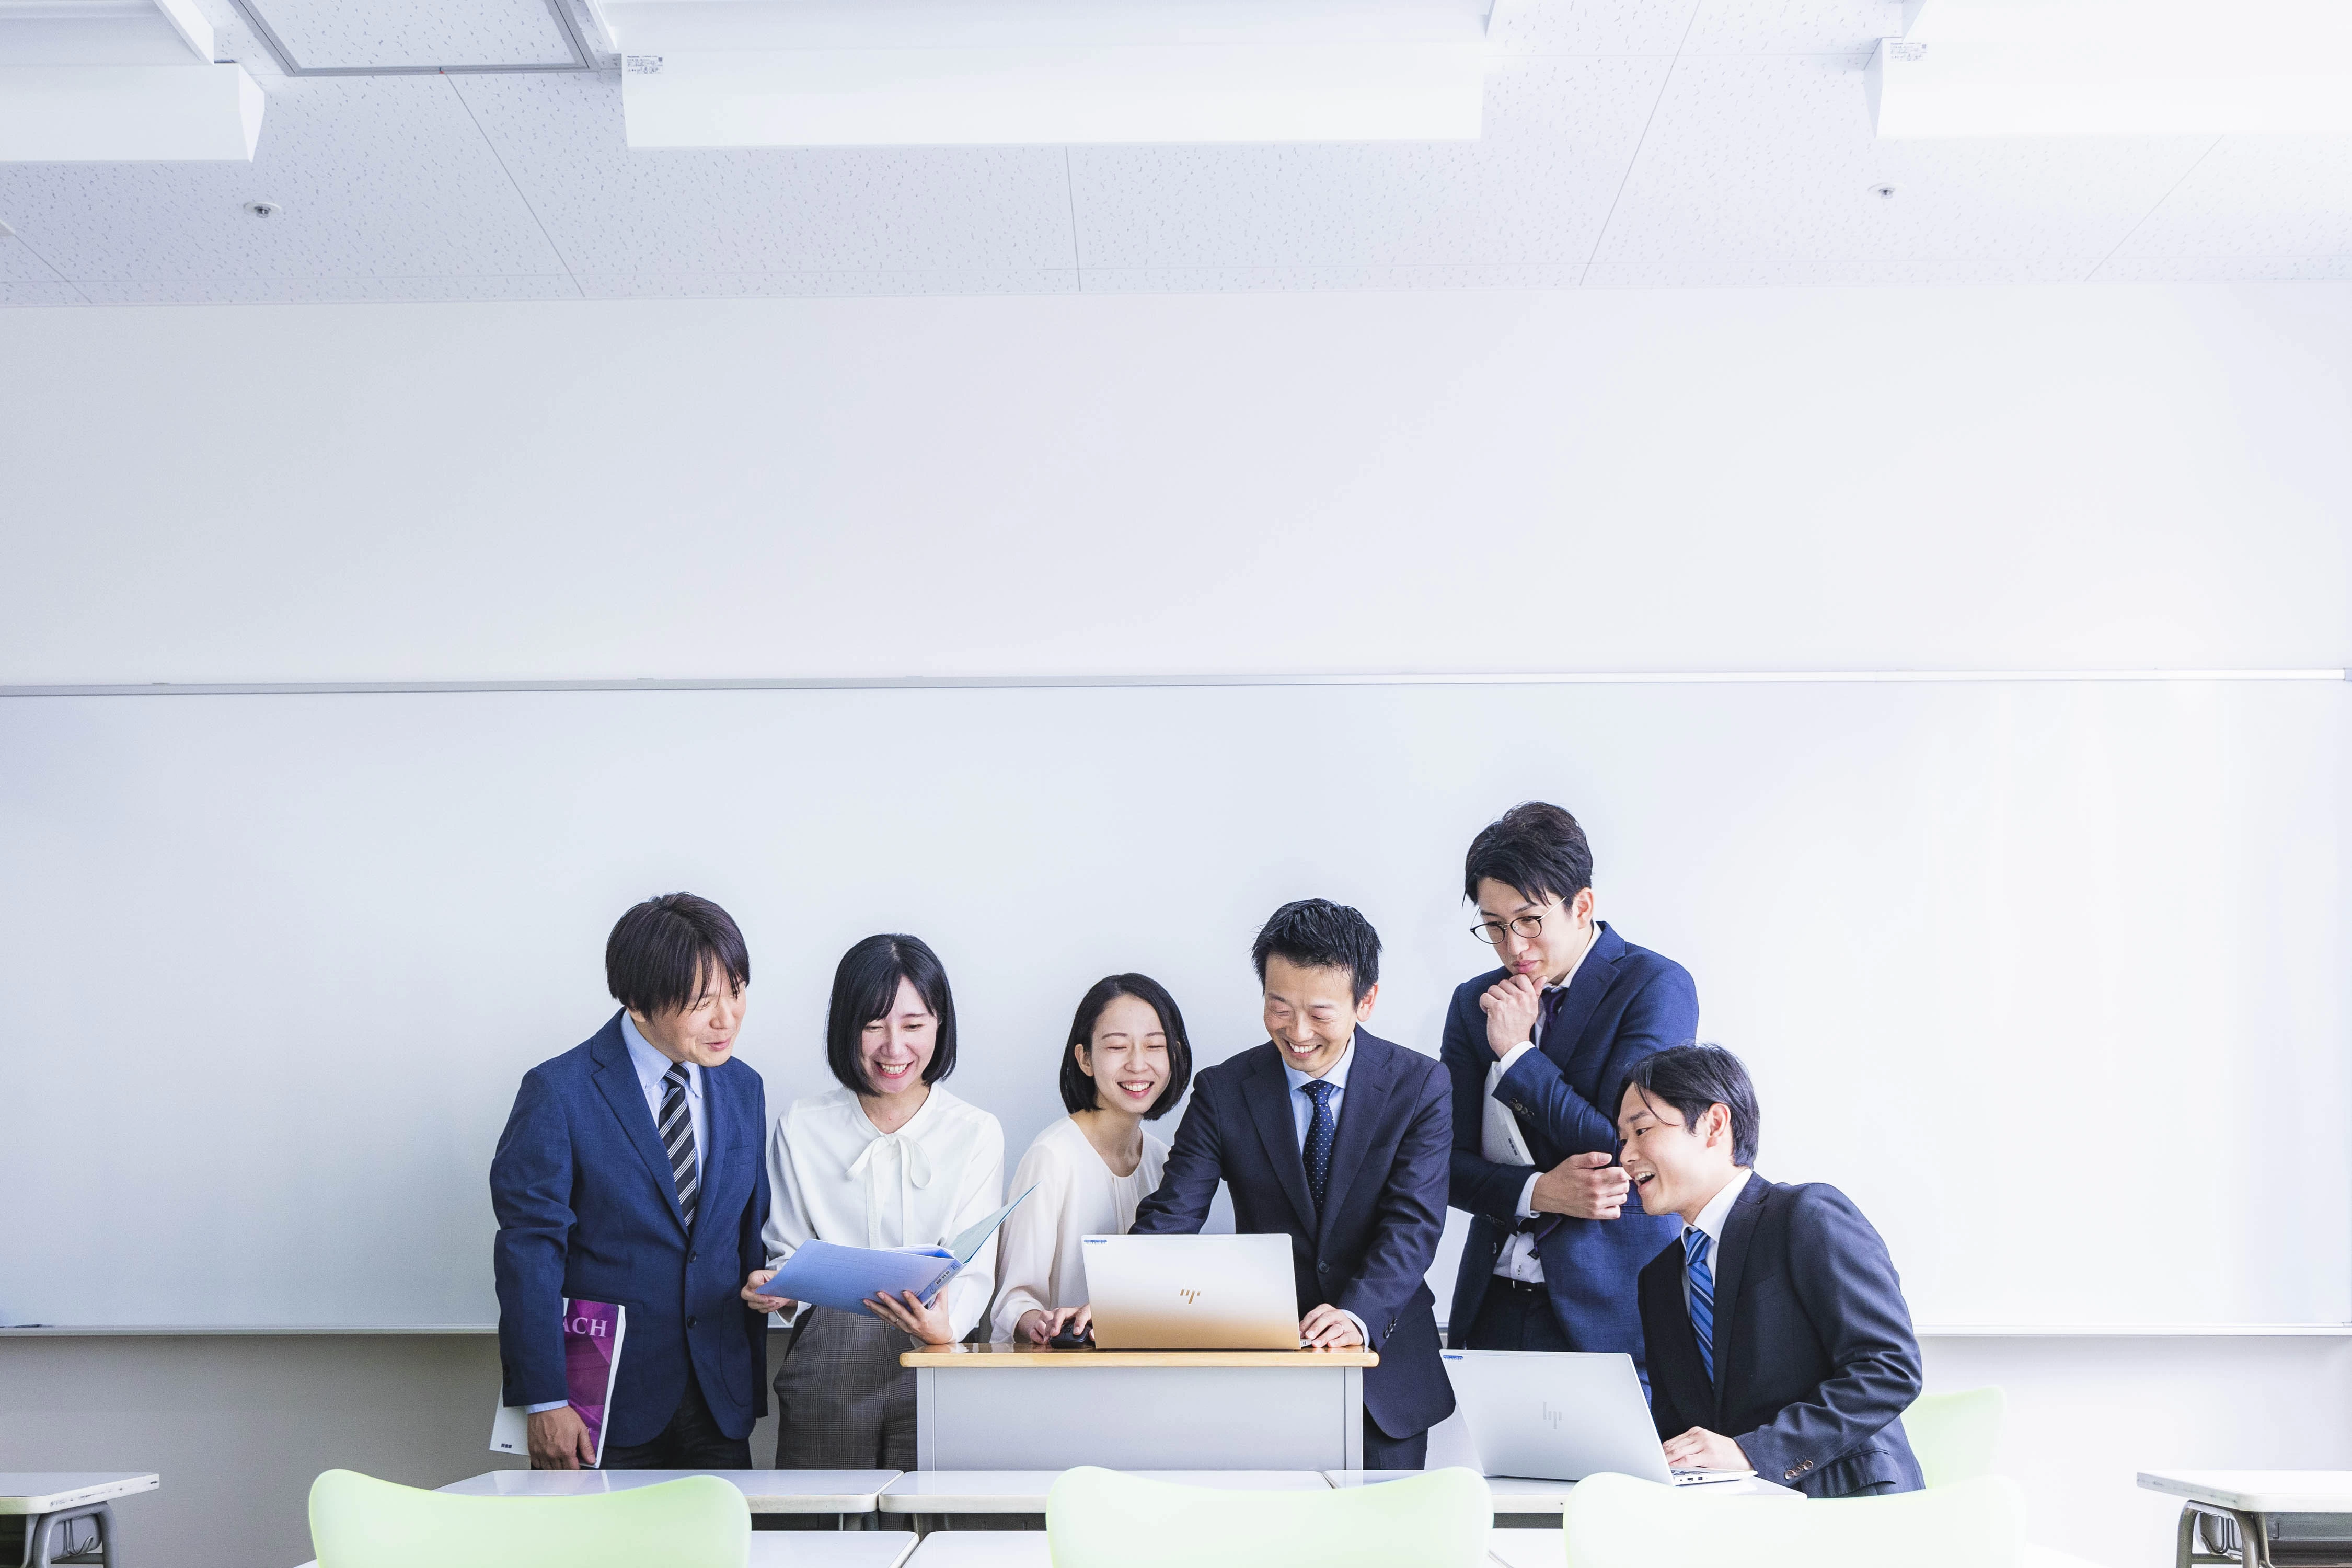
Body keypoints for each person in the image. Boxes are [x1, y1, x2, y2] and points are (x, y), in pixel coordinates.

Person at [1128, 898, 1454, 1468]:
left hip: (1384, 1368)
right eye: (1279, 1008)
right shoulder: (1224, 1090)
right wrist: (1119, 1295)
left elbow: (1413, 1224)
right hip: (1265, 1372)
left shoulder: (1420, 1085)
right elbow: (1175, 1211)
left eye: (1320, 1013)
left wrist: (1356, 1315)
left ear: (1366, 1001)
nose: (1297, 1032)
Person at [489, 892, 770, 1469]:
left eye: (737, 991)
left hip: (719, 1397)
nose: (727, 1018)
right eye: (703, 1002)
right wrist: (545, 1400)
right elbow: (530, 1253)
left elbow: (745, 1235)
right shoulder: (558, 1092)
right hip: (599, 1406)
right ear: (638, 1004)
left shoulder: (745, 1087)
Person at [1441, 801, 1697, 1377]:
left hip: (1610, 1308)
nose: (1513, 947)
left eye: (1529, 921)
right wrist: (1538, 1192)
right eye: (1494, 926)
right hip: (1493, 1301)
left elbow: (1625, 1147)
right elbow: (1447, 1165)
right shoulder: (1474, 1003)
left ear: (1582, 906)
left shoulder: (1655, 986)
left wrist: (1516, 1055)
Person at [741, 933, 1005, 1472]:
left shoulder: (976, 1132)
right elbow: (788, 1250)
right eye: (873, 1025)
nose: (894, 1047)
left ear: (940, 1025)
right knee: (823, 1520)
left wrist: (944, 1330)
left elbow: (975, 1268)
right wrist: (777, 1287)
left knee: (934, 1519)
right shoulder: (802, 1125)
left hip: (938, 1353)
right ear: (846, 1027)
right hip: (828, 1357)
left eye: (913, 1025)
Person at [1617, 1043, 1924, 1498]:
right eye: (1622, 1139)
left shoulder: (1806, 1215)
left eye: (1642, 1130)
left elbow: (1889, 1368)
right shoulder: (1658, 1278)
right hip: (1734, 1515)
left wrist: (1754, 1453)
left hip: (1848, 1503)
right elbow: (1684, 1428)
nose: (1626, 1155)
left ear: (1714, 1125)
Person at [992, 974, 1193, 1345]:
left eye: (1155, 1046)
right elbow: (1013, 1301)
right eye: (1117, 1047)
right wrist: (1047, 1324)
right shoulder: (1051, 1157)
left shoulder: (1166, 1162)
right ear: (1085, 1059)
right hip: (1067, 1368)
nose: (1138, 1064)